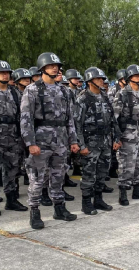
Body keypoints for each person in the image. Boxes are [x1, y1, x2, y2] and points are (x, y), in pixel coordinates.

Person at [21, 53, 80, 229]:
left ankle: (59, 208)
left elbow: (69, 119)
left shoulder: (64, 91)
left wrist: (73, 140)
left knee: (58, 176)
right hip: (41, 141)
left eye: (57, 66)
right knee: (38, 178)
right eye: (51, 65)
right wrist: (30, 143)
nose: (55, 68)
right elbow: (26, 119)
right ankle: (34, 211)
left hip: (60, 141)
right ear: (42, 68)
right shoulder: (32, 90)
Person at [74, 67, 121, 215]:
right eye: (99, 79)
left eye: (102, 78)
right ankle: (86, 202)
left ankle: (98, 199)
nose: (102, 81)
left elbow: (113, 120)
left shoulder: (105, 97)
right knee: (89, 173)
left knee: (102, 172)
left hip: (105, 142)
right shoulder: (83, 99)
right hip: (90, 143)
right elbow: (77, 125)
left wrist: (116, 138)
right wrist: (81, 145)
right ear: (90, 81)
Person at [113, 64, 139, 206]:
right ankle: (123, 193)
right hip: (127, 134)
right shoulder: (122, 94)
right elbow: (115, 118)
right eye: (137, 75)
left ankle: (138, 189)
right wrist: (117, 137)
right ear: (130, 78)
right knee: (127, 164)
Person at [0, 61, 28, 214]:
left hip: (13, 136)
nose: (5, 74)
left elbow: (23, 114)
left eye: (7, 72)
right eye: (2, 72)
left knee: (12, 169)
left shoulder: (15, 92)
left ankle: (11, 200)